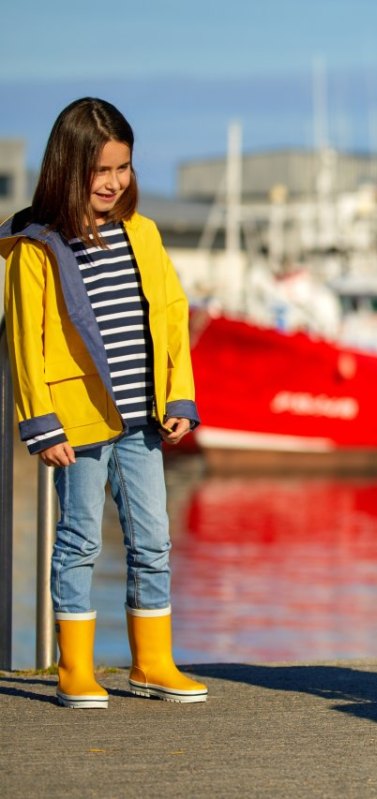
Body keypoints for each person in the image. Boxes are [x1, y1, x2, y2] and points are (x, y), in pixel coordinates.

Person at [2, 97, 206, 708]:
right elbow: (25, 342)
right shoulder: (39, 246)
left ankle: (151, 662)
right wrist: (40, 422)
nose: (114, 183)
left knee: (153, 539)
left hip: (143, 418)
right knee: (80, 540)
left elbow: (171, 318)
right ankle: (76, 670)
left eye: (124, 168)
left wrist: (180, 396)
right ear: (68, 169)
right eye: (101, 171)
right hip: (77, 421)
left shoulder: (143, 233)